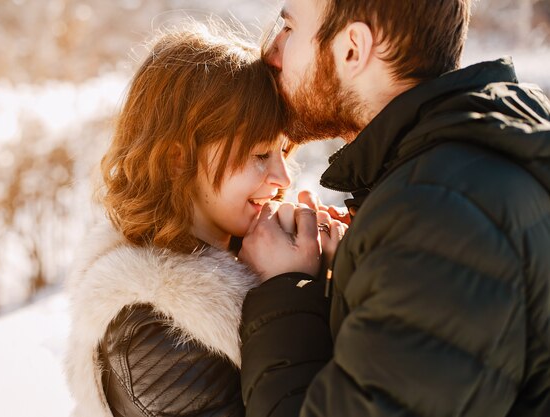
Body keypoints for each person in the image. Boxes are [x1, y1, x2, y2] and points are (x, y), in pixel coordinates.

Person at [238, 1, 550, 416]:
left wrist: (282, 290)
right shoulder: (466, 171)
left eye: (289, 29)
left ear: (352, 48)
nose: (272, 52)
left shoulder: (438, 217)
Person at [65, 24, 342, 417]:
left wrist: (331, 280)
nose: (283, 178)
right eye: (261, 155)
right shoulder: (154, 334)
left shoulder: (244, 262)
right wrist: (289, 291)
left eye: (284, 152)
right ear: (178, 159)